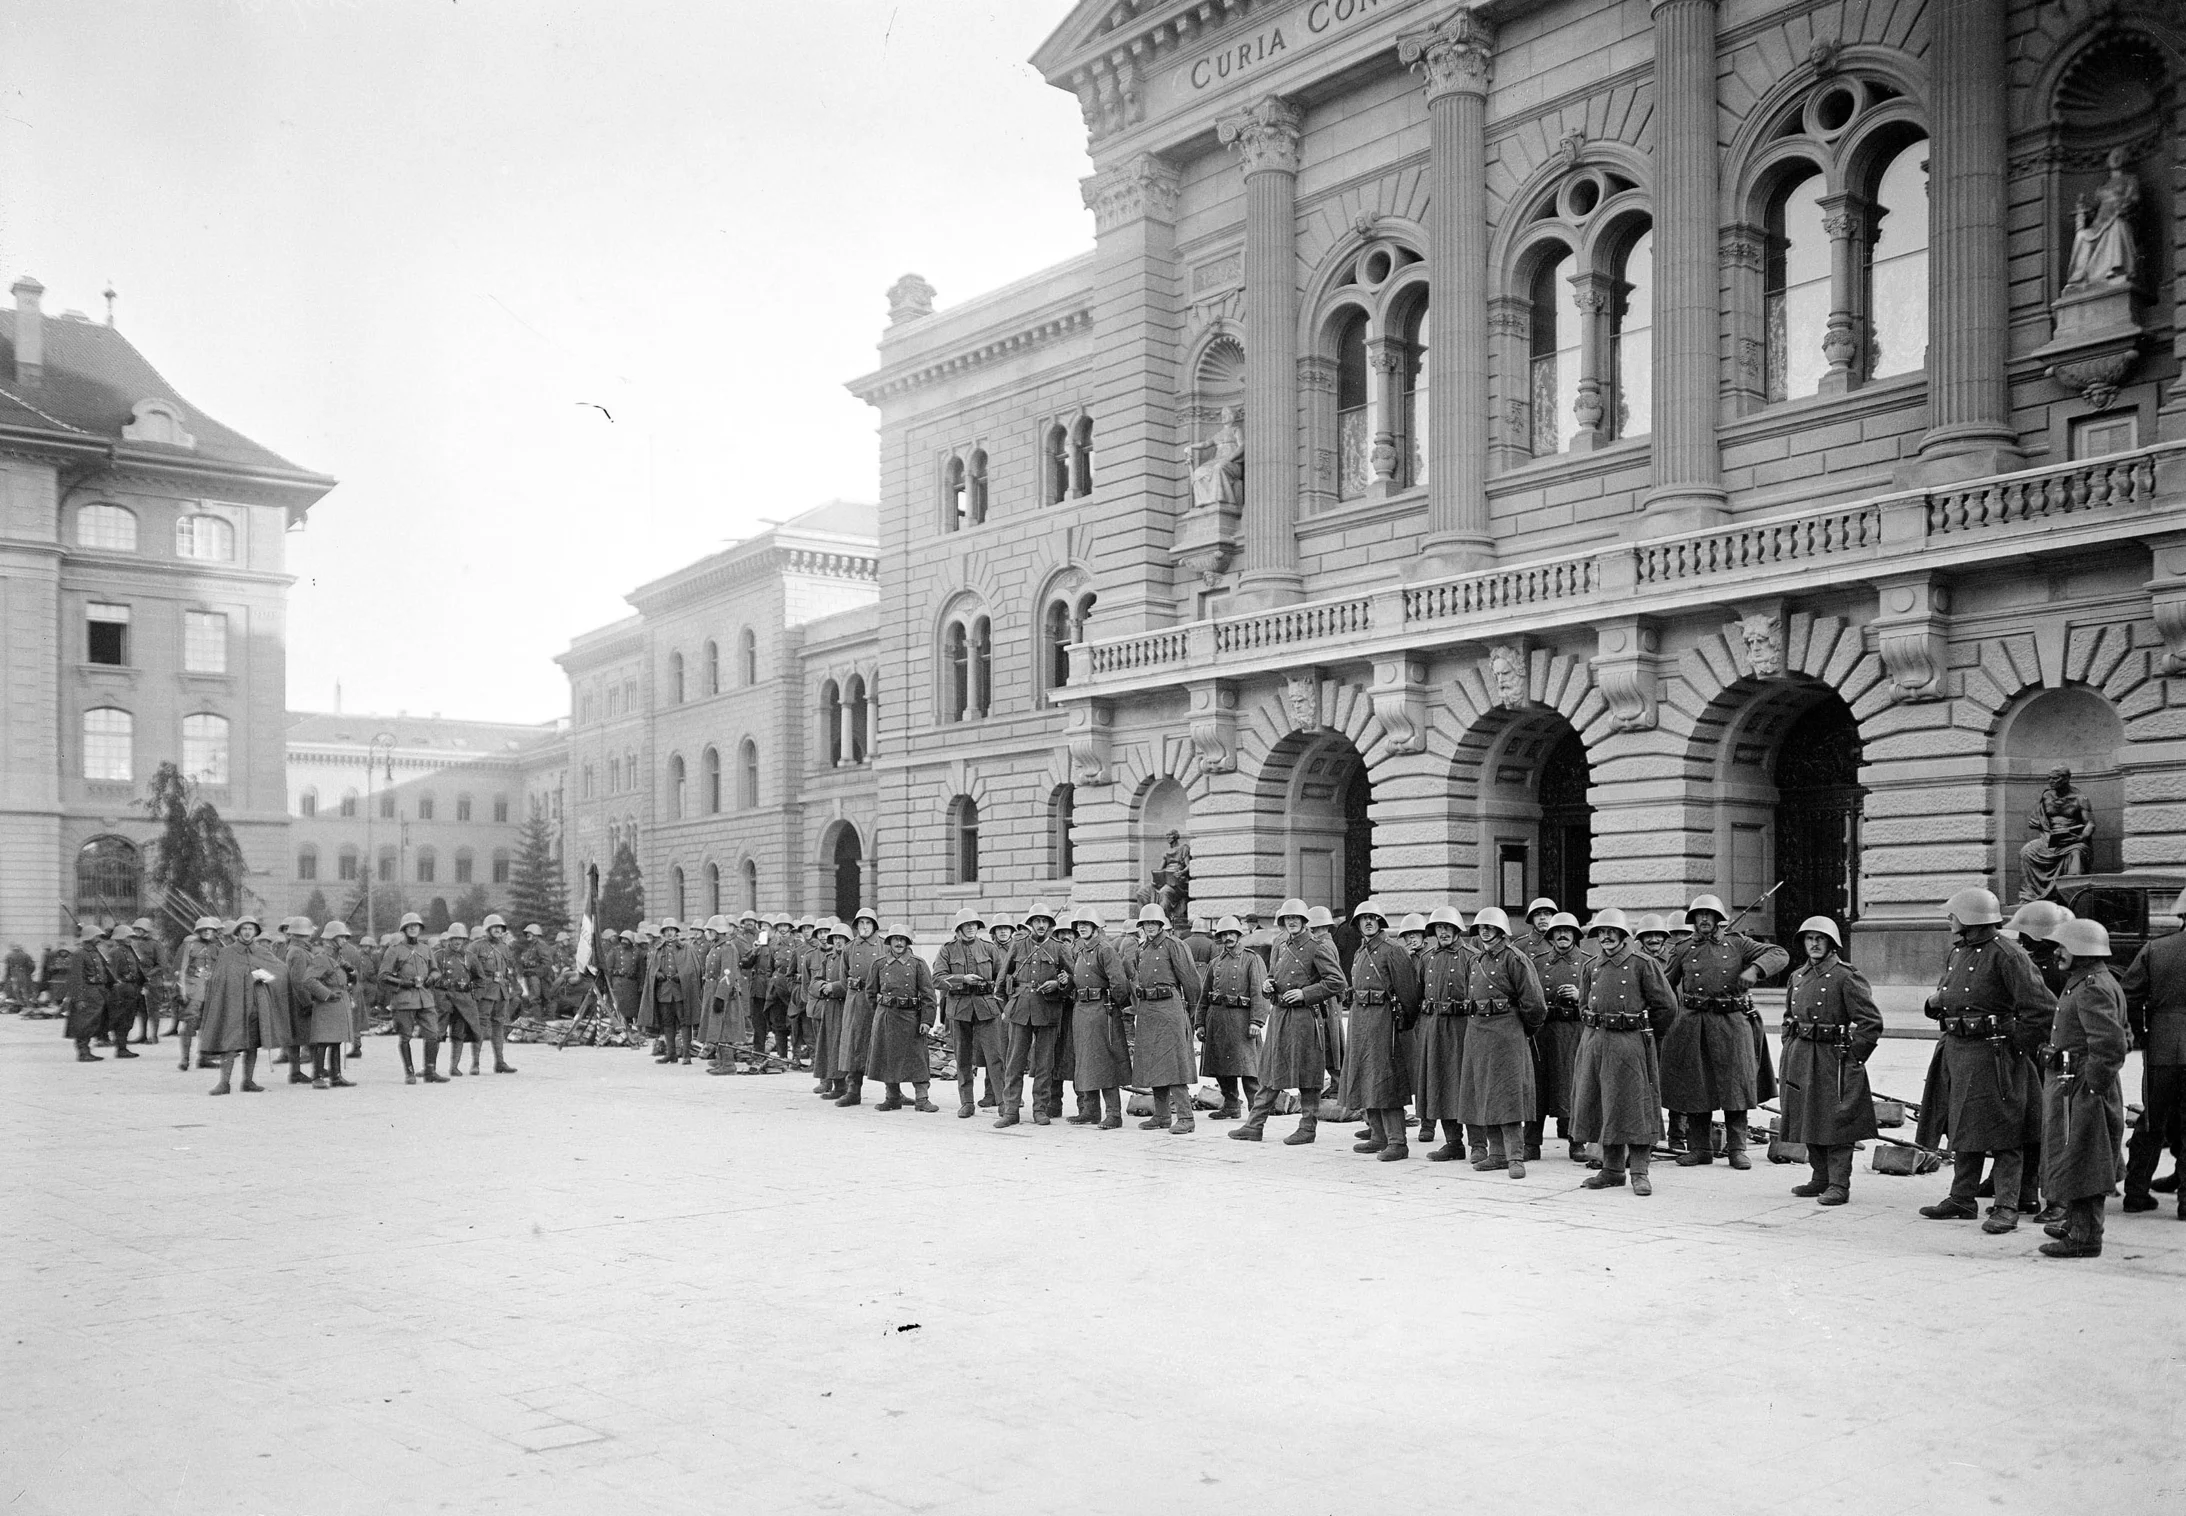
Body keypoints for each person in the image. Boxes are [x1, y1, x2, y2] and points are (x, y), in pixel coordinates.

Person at [1915, 887, 2056, 1234]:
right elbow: (1952, 993)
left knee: (2006, 1129)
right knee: (1964, 1125)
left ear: (1970, 919)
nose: (1949, 920)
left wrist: (2015, 1045)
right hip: (1960, 1051)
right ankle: (1962, 1197)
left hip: (1996, 1055)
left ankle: (2007, 1205)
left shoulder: (2009, 955)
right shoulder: (1958, 953)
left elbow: (2042, 1010)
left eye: (1953, 915)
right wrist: (1936, 1003)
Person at [1663, 894, 1787, 1169]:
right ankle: (1699, 1149)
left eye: (1709, 915)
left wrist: (1755, 970)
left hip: (1732, 1023)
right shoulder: (1683, 949)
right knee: (1696, 1087)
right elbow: (1663, 986)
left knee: (1736, 1088)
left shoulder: (1738, 944)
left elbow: (1779, 954)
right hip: (1694, 1023)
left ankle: (1737, 1149)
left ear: (1719, 918)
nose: (1704, 920)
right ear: (1693, 920)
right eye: (1699, 915)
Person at [2035, 917, 2130, 1258]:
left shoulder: (2092, 987)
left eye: (2063, 946)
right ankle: (2076, 1222)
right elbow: (2125, 1034)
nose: (2057, 952)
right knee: (2074, 1154)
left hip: (2082, 1086)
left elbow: (2111, 1044)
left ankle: (2085, 1236)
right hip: (2073, 1083)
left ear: (2081, 950)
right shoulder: (2090, 981)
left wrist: (2092, 1085)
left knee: (2086, 1159)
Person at [1572, 909, 1680, 1195]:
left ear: (1623, 935)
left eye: (1611, 931)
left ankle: (1640, 1172)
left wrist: (1642, 1033)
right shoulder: (1591, 966)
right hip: (1596, 1042)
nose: (1606, 937)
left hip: (1629, 1043)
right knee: (1603, 1104)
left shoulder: (1642, 964)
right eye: (1601, 932)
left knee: (1634, 1106)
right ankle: (1612, 1170)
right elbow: (1583, 1005)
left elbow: (1667, 1006)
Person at [1777, 916, 1881, 1205]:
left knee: (1836, 1119)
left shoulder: (1847, 976)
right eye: (1809, 938)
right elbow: (1788, 1016)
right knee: (1806, 1116)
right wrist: (1789, 1045)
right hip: (1801, 1055)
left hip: (1833, 1057)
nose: (1813, 943)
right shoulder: (1797, 976)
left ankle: (1838, 1184)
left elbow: (1870, 1022)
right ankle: (1819, 1177)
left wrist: (1854, 1058)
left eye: (1819, 938)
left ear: (1832, 943)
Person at [1231, 899, 1347, 1144]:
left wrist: (1306, 994)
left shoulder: (1317, 947)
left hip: (1305, 1019)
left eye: (1296, 918)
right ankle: (1254, 1126)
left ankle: (1307, 1128)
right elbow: (1274, 976)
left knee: (1308, 1073)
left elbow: (1337, 982)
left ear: (1305, 922)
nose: (1291, 922)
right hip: (1280, 1016)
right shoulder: (1282, 944)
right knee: (1270, 1069)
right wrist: (1268, 986)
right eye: (1287, 919)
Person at [1457, 906, 1547, 1177]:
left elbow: (1535, 1004)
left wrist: (1522, 1030)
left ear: (1501, 930)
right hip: (1478, 1033)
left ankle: (1516, 1157)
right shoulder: (1475, 961)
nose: (1485, 931)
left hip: (1507, 1033)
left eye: (1490, 927)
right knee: (1485, 1093)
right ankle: (1496, 1154)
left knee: (1508, 1095)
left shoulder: (1515, 959)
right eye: (1481, 927)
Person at [2119, 900, 2186, 1217]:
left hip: (2162, 1045)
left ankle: (2135, 1192)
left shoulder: (2155, 949)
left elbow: (2128, 993)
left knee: (2151, 1120)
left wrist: (2142, 1032)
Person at [1341, 900, 1421, 1161]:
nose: (1367, 922)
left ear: (1380, 922)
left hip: (1384, 1021)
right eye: (1363, 919)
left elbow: (1408, 993)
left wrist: (1402, 1025)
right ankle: (1377, 1136)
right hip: (1360, 1020)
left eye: (1372, 918)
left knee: (1386, 1080)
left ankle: (1398, 1142)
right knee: (1365, 1076)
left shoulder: (1393, 950)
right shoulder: (1360, 951)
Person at [1122, 902, 1203, 1135]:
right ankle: (1161, 1116)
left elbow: (1191, 981)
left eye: (1153, 923)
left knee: (1174, 1063)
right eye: (1145, 923)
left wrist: (1189, 1012)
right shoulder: (1142, 949)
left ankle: (1186, 1118)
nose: (1149, 927)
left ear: (1162, 924)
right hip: (1148, 1010)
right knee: (1153, 1062)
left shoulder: (1174, 945)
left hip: (1169, 1008)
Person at [197, 915, 292, 1096]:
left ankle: (247, 1081)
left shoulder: (262, 952)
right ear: (238, 932)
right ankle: (224, 1083)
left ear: (255, 932)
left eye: (251, 929)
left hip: (256, 1004)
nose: (247, 932)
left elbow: (280, 972)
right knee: (230, 1042)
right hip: (233, 1005)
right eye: (244, 929)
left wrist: (264, 975)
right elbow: (218, 979)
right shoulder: (227, 953)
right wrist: (242, 977)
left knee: (252, 1043)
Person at [997, 901, 1072, 1128]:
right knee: (1014, 1063)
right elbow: (1002, 978)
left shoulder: (1059, 948)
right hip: (1020, 1011)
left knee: (1043, 1064)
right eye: (1037, 921)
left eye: (1044, 921)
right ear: (1030, 924)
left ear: (1050, 925)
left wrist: (1059, 984)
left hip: (1048, 1011)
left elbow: (1072, 978)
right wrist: (1005, 1008)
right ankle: (1010, 1111)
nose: (1040, 925)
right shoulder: (1018, 945)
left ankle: (1040, 1109)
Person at [934, 907, 1007, 1120]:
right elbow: (937, 979)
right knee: (963, 1058)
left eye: (974, 925)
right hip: (960, 1009)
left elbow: (1002, 978)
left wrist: (999, 1003)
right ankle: (966, 1102)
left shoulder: (989, 948)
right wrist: (962, 979)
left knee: (995, 1057)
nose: (971, 928)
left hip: (986, 1008)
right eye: (967, 925)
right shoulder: (947, 950)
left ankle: (1003, 1103)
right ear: (958, 929)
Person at [1530, 912, 1592, 1163]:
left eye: (1568, 931)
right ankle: (1531, 1142)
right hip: (1544, 1032)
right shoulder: (1537, 962)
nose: (1563, 935)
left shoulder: (1589, 962)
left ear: (1576, 935)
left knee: (1573, 1086)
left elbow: (1600, 998)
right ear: (1551, 935)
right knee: (1538, 1086)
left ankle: (1576, 1141)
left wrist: (1581, 995)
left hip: (1574, 1031)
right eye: (1558, 931)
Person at [1064, 906, 1133, 1129]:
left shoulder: (1105, 950)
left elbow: (1119, 983)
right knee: (1085, 1062)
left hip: (1103, 1011)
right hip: (1082, 1011)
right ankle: (1090, 1111)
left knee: (1106, 1062)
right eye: (1078, 925)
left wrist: (1117, 1007)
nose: (1081, 928)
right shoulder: (1080, 951)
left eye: (1086, 924)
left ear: (1096, 927)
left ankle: (1113, 1114)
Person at [1413, 906, 1471, 1161]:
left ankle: (1478, 1145)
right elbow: (1416, 993)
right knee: (1440, 1083)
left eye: (1448, 927)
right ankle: (1453, 1142)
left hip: (1462, 1028)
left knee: (1465, 1085)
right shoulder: (1428, 958)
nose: (1444, 932)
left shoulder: (1472, 956)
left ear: (1457, 929)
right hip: (1433, 1027)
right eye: (1439, 928)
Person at [1197, 915, 1266, 1121]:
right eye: (1224, 934)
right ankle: (1231, 1105)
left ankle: (1256, 1109)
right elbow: (1205, 994)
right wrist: (1200, 1023)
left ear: (1238, 935)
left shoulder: (1251, 959)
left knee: (1248, 1068)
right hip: (1217, 1019)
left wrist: (1257, 1021)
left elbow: (1259, 992)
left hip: (1242, 1019)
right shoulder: (1215, 962)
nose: (1228, 938)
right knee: (1221, 1066)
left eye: (1231, 934)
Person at [864, 923, 937, 1112]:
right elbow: (870, 993)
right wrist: (881, 1013)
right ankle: (892, 1097)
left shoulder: (918, 964)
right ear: (889, 942)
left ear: (907, 942)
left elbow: (929, 995)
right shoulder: (879, 964)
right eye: (895, 939)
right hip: (887, 1016)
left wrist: (926, 1021)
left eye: (902, 939)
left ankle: (922, 1098)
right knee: (887, 1057)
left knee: (918, 1058)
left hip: (911, 1017)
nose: (898, 943)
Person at [283, 917, 352, 1089]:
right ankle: (317, 1075)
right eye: (341, 937)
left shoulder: (309, 952)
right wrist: (318, 998)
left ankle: (335, 1076)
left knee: (335, 1039)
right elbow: (303, 981)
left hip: (332, 1001)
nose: (310, 936)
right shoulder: (302, 953)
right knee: (321, 1040)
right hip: (318, 1001)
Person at [381, 912, 442, 1085]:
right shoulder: (394, 950)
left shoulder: (425, 949)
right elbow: (383, 976)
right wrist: (403, 983)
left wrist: (432, 978)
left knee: (433, 1034)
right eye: (410, 926)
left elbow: (436, 969)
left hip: (425, 996)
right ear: (404, 929)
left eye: (417, 926)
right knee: (405, 1036)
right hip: (404, 998)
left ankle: (430, 1070)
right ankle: (409, 1072)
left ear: (421, 929)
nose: (414, 928)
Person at [834, 908, 887, 1106]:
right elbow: (842, 976)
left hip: (878, 1001)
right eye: (861, 924)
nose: (864, 928)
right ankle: (853, 1091)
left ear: (874, 926)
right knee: (854, 1044)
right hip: (856, 1000)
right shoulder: (849, 948)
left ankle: (893, 1092)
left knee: (883, 1044)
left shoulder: (884, 946)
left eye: (868, 923)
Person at [2019, 767, 2095, 902]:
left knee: (2077, 853)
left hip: (2073, 840)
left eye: (2055, 778)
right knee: (2027, 851)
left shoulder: (2080, 797)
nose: (2051, 781)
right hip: (2049, 839)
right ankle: (2031, 895)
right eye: (2049, 778)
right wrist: (2037, 823)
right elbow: (2037, 818)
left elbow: (2090, 824)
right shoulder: (2046, 796)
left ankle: (2072, 899)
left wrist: (2080, 837)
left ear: (2066, 779)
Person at [466, 914, 523, 1074]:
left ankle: (500, 1062)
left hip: (502, 991)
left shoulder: (505, 948)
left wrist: (513, 986)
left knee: (499, 1026)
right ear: (487, 929)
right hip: (484, 991)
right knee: (480, 1025)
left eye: (500, 928)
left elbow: (511, 969)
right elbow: (466, 968)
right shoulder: (476, 946)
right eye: (494, 927)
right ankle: (475, 1064)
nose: (498, 930)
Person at [434, 923, 485, 1078]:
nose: (457, 942)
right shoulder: (438, 956)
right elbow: (429, 976)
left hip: (463, 1000)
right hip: (443, 999)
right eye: (454, 938)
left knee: (459, 1033)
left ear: (465, 940)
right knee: (436, 1033)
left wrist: (475, 996)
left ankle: (454, 1067)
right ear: (449, 939)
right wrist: (436, 995)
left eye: (460, 939)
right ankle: (431, 1067)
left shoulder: (470, 957)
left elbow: (480, 979)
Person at [806, 921, 850, 1097]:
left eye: (842, 938)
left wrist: (835, 987)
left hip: (847, 1006)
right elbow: (814, 982)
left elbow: (856, 982)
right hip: (830, 1006)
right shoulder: (829, 959)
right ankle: (836, 1085)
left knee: (843, 1046)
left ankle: (848, 1087)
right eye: (836, 938)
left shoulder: (852, 957)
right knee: (830, 1045)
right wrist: (824, 986)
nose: (838, 941)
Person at [171, 916, 221, 1072]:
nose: (207, 932)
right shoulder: (189, 945)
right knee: (189, 1024)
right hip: (193, 989)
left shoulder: (215, 948)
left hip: (210, 990)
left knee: (208, 1025)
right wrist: (181, 990)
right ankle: (185, 1059)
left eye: (210, 929)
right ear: (198, 930)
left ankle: (204, 1057)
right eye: (204, 929)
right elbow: (180, 968)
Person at [63, 924, 114, 1062]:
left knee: (93, 1022)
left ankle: (87, 1050)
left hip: (97, 991)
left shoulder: (95, 952)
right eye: (97, 936)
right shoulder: (80, 954)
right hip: (86, 992)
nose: (99, 939)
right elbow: (76, 977)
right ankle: (83, 1051)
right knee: (84, 1023)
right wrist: (79, 998)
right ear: (90, 937)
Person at [104, 923, 147, 1056]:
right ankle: (121, 1047)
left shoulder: (129, 951)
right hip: (122, 988)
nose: (131, 939)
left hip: (132, 987)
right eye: (128, 936)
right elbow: (113, 972)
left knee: (129, 1018)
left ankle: (123, 1046)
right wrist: (116, 989)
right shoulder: (116, 952)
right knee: (121, 1018)